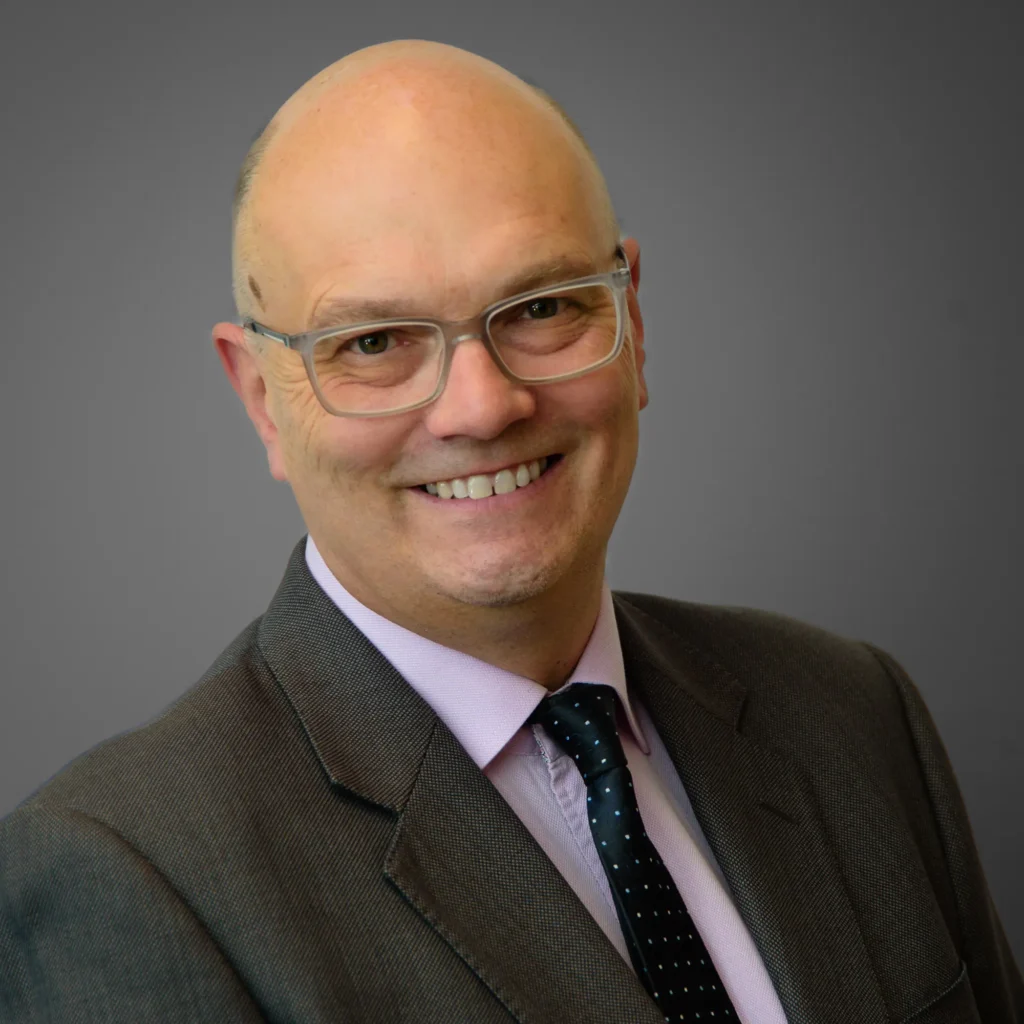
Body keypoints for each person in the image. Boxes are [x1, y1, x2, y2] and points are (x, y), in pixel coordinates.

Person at [0, 39, 1019, 1024]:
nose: (482, 408)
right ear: (264, 399)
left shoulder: (850, 713)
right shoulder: (126, 878)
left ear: (632, 322)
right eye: (375, 342)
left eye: (539, 308)